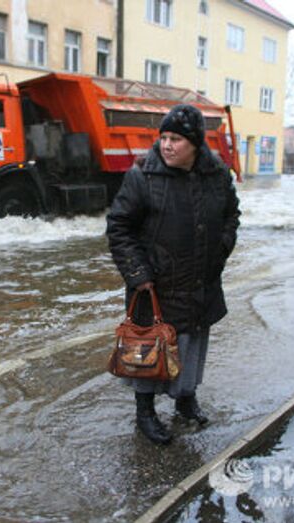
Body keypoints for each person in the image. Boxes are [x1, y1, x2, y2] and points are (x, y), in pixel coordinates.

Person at [106, 104, 241, 445]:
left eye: (176, 139)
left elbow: (231, 215)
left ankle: (185, 400)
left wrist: (221, 248)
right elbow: (119, 227)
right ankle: (145, 413)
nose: (167, 145)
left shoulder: (218, 176)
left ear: (195, 144)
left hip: (200, 280)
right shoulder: (142, 176)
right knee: (148, 347)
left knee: (192, 342)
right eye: (163, 137)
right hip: (156, 283)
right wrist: (138, 273)